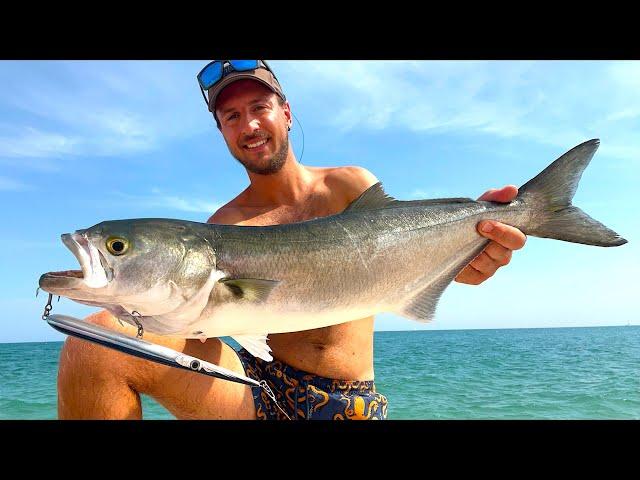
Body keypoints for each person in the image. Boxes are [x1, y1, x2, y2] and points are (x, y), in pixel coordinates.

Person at [57, 60, 527, 420]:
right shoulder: (225, 223)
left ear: (285, 112)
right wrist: (126, 305)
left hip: (346, 400)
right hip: (251, 386)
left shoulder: (347, 185)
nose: (249, 126)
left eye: (259, 108)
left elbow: (402, 259)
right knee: (93, 341)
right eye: (232, 116)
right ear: (222, 131)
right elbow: (193, 326)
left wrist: (472, 245)